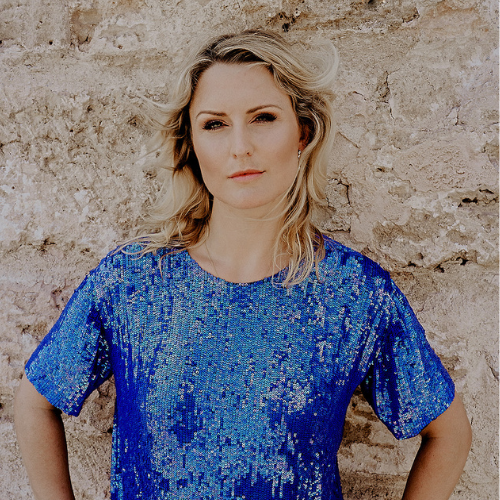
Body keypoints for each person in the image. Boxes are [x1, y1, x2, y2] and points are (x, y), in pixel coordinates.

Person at [15, 29, 471, 500]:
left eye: (263, 118)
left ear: (302, 132)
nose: (240, 146)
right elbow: (35, 403)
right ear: (191, 143)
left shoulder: (354, 294)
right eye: (215, 124)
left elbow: (449, 434)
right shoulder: (131, 282)